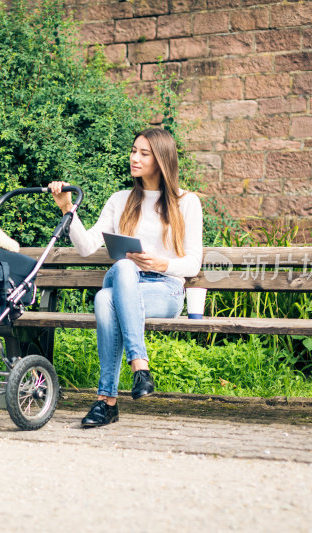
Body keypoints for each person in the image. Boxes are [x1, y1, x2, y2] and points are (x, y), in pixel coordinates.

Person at [48, 127, 203, 428]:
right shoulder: (120, 200)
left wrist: (160, 263)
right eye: (134, 150)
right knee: (123, 268)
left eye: (144, 153)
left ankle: (107, 402)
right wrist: (68, 208)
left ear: (162, 160)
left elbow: (194, 264)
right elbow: (86, 247)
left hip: (165, 289)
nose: (135, 157)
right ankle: (140, 369)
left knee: (106, 298)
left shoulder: (187, 202)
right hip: (126, 284)